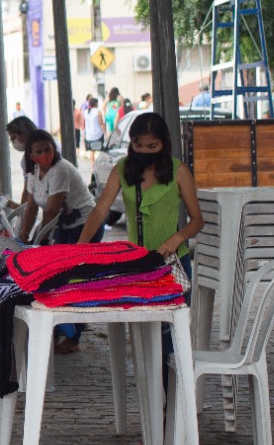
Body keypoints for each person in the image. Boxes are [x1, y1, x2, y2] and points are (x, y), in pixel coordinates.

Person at [80, 112, 203, 357]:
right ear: (131, 143)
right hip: (137, 265)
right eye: (138, 145)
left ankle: (174, 394)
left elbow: (197, 220)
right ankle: (152, 393)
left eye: (152, 146)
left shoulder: (179, 171)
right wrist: (80, 248)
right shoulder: (121, 169)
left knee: (172, 342)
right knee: (144, 342)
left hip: (173, 265)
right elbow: (99, 211)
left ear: (164, 143)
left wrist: (177, 238)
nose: (145, 151)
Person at [18, 130, 99, 246]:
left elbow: (52, 211)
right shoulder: (33, 172)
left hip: (86, 223)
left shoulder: (59, 170)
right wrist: (24, 236)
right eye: (38, 152)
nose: (44, 155)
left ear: (54, 149)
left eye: (47, 150)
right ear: (31, 156)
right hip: (63, 224)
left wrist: (38, 240)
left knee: (72, 261)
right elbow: (31, 208)